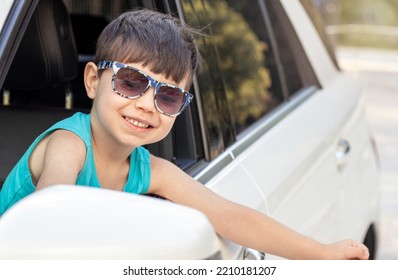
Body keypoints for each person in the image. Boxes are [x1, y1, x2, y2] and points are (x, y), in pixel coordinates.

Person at [0, 9, 369, 260]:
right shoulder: (69, 145)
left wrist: (321, 253)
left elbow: (231, 217)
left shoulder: (150, 171)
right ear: (94, 81)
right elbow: (49, 213)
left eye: (169, 95)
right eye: (131, 82)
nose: (146, 104)